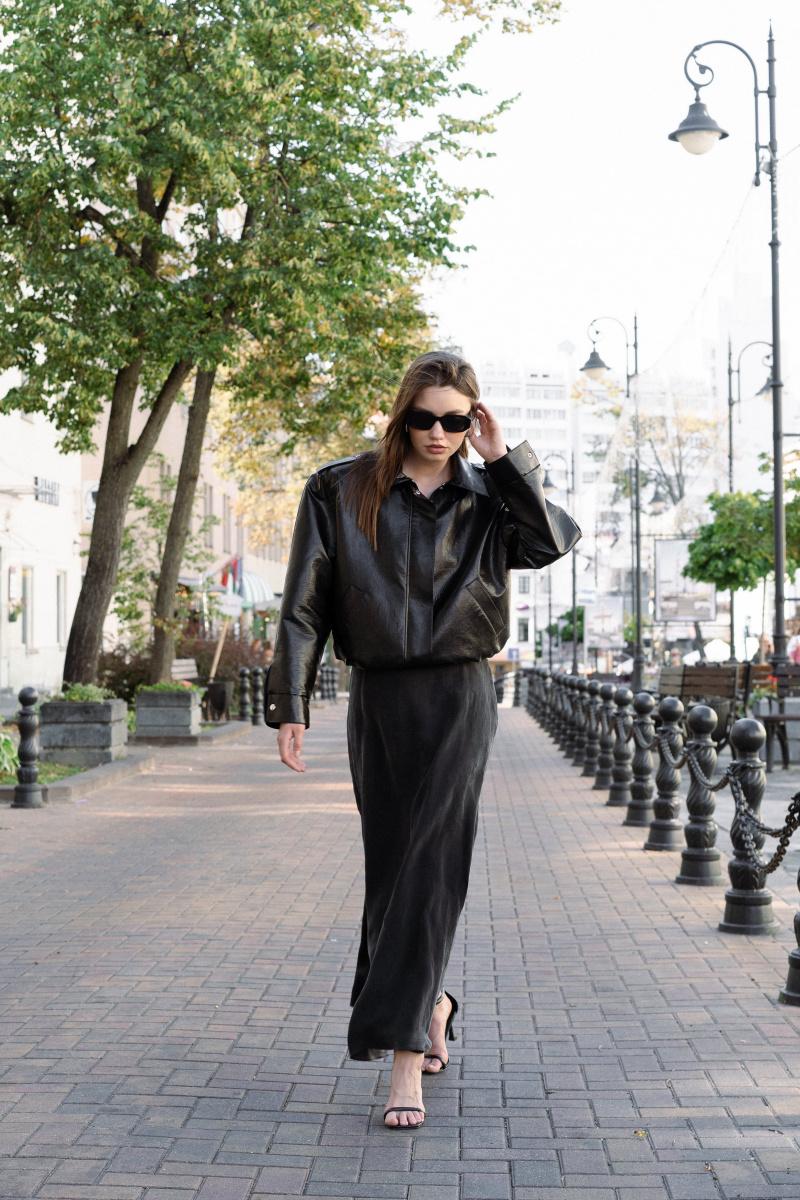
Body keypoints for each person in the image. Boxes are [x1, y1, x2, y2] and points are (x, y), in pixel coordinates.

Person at [266, 351, 580, 1128]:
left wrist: (505, 460)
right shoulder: (339, 489)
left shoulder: (490, 495)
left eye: (456, 419)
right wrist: (290, 702)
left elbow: (550, 544)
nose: (439, 433)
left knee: (432, 862)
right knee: (391, 868)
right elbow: (304, 603)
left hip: (460, 693)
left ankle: (404, 1054)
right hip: (378, 696)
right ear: (401, 416)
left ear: (473, 420)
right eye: (425, 417)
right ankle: (432, 1004)